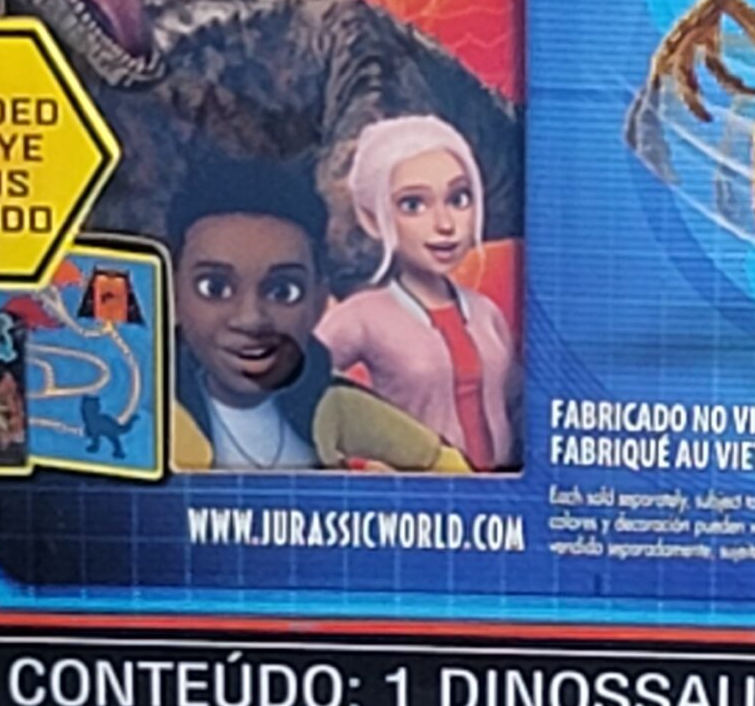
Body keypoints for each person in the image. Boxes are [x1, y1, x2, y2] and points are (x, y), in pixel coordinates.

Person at [168, 157, 466, 473]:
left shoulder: (332, 402)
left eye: (283, 292)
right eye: (215, 288)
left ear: (319, 300)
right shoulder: (151, 413)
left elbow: (441, 462)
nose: (250, 318)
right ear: (172, 292)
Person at [317, 115, 520, 470]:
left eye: (458, 198)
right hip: (417, 492)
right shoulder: (362, 316)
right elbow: (295, 387)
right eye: (413, 204)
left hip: (500, 491)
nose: (444, 224)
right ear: (372, 219)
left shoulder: (486, 312)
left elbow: (518, 403)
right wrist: (347, 467)